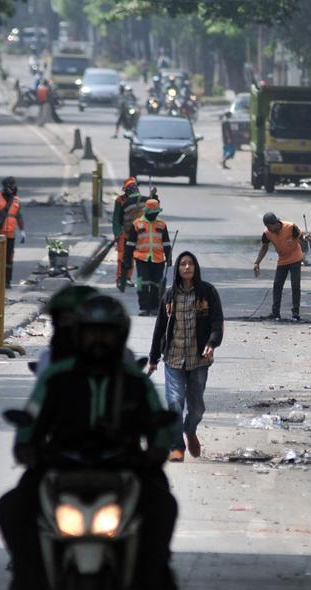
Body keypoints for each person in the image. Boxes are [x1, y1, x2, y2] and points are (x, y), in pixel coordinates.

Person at [0, 295, 178, 590]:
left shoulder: (135, 381)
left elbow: (157, 419)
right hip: (62, 464)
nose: (98, 341)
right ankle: (33, 583)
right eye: (92, 333)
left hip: (123, 466)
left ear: (119, 336)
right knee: (11, 507)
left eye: (106, 334)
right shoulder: (56, 378)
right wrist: (25, 446)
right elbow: (32, 417)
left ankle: (151, 580)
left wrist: (157, 448)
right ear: (79, 335)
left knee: (163, 504)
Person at [148, 252, 224, 462]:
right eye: (183, 264)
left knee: (197, 406)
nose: (187, 267)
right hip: (173, 358)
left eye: (190, 264)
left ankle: (190, 430)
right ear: (178, 269)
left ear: (196, 267)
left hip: (199, 360)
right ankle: (177, 446)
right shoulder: (170, 296)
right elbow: (160, 328)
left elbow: (217, 321)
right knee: (174, 402)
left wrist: (212, 343)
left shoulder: (207, 292)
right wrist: (154, 358)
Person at [253, 212, 308, 322]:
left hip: (295, 258)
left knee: (295, 285)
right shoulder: (267, 233)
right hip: (282, 260)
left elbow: (301, 237)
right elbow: (264, 248)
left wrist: (306, 238)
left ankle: (295, 313)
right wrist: (257, 262)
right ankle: (275, 313)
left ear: (275, 223)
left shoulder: (291, 227)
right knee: (277, 285)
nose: (269, 229)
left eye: (270, 226)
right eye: (267, 227)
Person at [123, 197, 172, 316]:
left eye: (156, 213)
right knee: (142, 283)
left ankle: (155, 307)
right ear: (147, 212)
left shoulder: (161, 224)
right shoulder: (137, 224)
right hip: (142, 258)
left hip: (158, 259)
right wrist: (127, 259)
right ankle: (144, 307)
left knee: (156, 285)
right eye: (153, 213)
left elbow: (166, 243)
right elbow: (130, 244)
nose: (155, 215)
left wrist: (169, 257)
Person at [0, 176, 24, 287]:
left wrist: (22, 231)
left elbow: (19, 216)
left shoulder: (16, 200)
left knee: (8, 259)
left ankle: (6, 281)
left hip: (10, 234)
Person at [113, 177, 145, 291]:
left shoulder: (140, 200)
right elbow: (116, 218)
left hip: (137, 233)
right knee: (122, 256)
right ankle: (120, 277)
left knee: (133, 256)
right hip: (124, 232)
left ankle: (128, 277)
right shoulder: (120, 201)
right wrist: (117, 232)